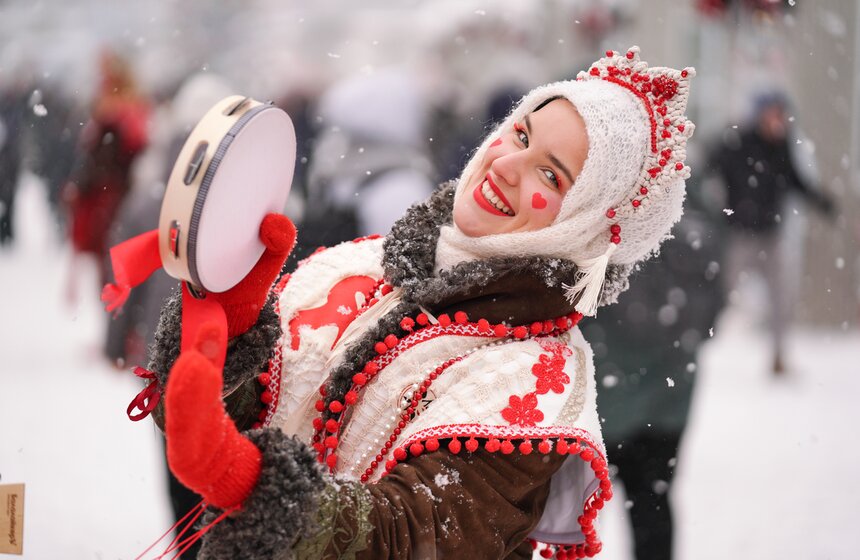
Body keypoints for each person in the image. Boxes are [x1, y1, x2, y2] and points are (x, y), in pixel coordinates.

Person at [141, 47, 695, 559]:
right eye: (521, 135)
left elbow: (409, 538)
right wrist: (230, 323)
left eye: (550, 174)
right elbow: (233, 415)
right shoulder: (359, 263)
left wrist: (241, 476)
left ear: (586, 227)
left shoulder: (535, 378)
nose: (506, 165)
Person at [589, 184, 725, 560]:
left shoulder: (601, 204)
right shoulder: (696, 203)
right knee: (652, 505)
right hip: (670, 399)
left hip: (598, 397)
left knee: (572, 520)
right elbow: (714, 314)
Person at [708, 92, 834, 374]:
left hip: (771, 236)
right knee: (722, 293)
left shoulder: (781, 148)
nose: (778, 122)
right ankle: (700, 347)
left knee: (782, 297)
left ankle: (778, 356)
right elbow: (709, 166)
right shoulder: (736, 142)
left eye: (782, 116)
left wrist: (823, 202)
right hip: (739, 235)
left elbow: (796, 181)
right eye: (773, 115)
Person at [62, 49, 149, 289]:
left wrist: (81, 187)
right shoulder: (133, 116)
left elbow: (101, 165)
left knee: (115, 275)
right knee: (119, 274)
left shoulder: (117, 120)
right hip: (118, 205)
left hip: (113, 205)